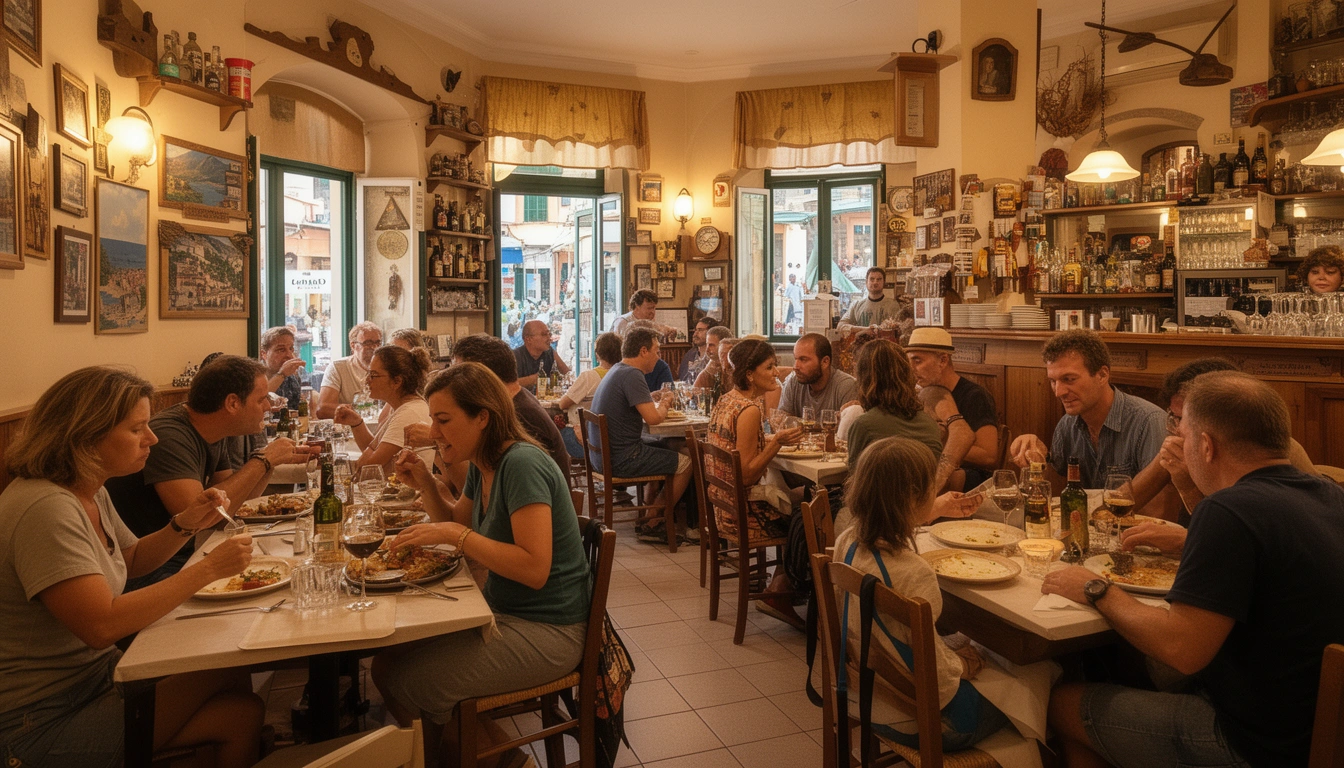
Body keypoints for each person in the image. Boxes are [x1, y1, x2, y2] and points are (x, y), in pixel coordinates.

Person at [1044, 372, 1344, 768]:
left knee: (1063, 704)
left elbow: (1181, 650)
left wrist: (1096, 588)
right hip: (1323, 727)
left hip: (1255, 744)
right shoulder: (1329, 493)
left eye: (1180, 433)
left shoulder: (1228, 511)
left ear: (1205, 445)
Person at [0, 366, 264, 768]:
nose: (152, 438)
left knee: (241, 715)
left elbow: (132, 560)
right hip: (38, 717)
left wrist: (184, 524)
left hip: (95, 681)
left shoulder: (88, 489)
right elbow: (100, 626)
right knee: (224, 661)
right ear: (85, 435)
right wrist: (208, 570)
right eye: (137, 428)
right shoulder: (45, 508)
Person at [371, 363, 590, 766]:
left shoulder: (521, 464)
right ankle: (494, 757)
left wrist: (457, 538)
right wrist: (425, 481)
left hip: (550, 630)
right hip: (505, 612)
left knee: (407, 681)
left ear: (483, 417)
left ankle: (495, 762)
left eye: (443, 420)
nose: (433, 431)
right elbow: (458, 522)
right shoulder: (483, 461)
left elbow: (534, 567)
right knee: (385, 664)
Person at [834, 436, 1018, 754]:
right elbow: (936, 673)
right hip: (930, 721)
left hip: (865, 698)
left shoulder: (848, 539)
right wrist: (960, 664)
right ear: (915, 497)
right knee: (1041, 677)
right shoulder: (913, 572)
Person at [105, 356, 316, 588]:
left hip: (186, 554)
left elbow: (232, 505)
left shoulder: (214, 430)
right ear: (233, 403)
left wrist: (269, 462)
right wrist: (263, 460)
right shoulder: (170, 435)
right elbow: (202, 518)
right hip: (150, 571)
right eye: (261, 399)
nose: (268, 406)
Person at [1129, 358, 1319, 522]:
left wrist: (1188, 489)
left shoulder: (1275, 453)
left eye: (1184, 418)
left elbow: (1238, 533)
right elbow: (1124, 502)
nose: (1177, 429)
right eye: (1173, 417)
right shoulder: (1180, 444)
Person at [705, 340, 805, 626]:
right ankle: (783, 593)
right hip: (746, 515)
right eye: (770, 366)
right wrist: (778, 443)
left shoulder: (727, 400)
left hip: (723, 508)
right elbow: (747, 475)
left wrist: (768, 440)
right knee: (809, 513)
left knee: (799, 500)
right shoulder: (749, 410)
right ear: (749, 374)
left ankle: (786, 586)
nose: (777, 372)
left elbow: (737, 448)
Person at [1010, 329, 1166, 490]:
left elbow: (1161, 507)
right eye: (1053, 381)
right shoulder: (1067, 425)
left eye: (1069, 379)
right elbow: (1057, 491)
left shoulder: (1149, 422)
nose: (1058, 392)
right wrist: (1040, 460)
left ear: (1102, 375)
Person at [589, 326, 693, 539]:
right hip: (622, 458)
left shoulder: (618, 370)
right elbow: (654, 419)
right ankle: (654, 518)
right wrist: (665, 401)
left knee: (673, 446)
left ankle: (648, 513)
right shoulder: (633, 375)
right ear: (643, 351)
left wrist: (652, 396)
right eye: (657, 351)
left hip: (602, 456)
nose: (659, 356)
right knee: (686, 462)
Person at [450, 334, 569, 472]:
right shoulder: (517, 400)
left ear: (483, 376)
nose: (456, 385)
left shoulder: (517, 415)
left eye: (461, 375)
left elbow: (488, 482)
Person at [906, 327, 1000, 491]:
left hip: (970, 480)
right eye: (909, 361)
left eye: (917, 361)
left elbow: (989, 456)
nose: (911, 368)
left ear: (943, 360)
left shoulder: (974, 396)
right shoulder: (917, 394)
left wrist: (939, 444)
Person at [845, 339, 946, 480]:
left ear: (864, 378)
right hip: (923, 500)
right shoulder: (930, 425)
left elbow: (854, 480)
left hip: (880, 501)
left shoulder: (864, 425)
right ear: (907, 374)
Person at [333, 345, 434, 474]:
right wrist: (356, 423)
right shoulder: (401, 406)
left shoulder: (409, 413)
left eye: (374, 375)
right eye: (368, 373)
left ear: (397, 381)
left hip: (407, 493)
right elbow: (374, 450)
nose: (367, 380)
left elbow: (369, 470)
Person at [556, 332, 621, 459]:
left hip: (588, 439)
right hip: (613, 440)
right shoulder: (623, 375)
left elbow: (562, 404)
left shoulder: (588, 377)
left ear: (597, 354)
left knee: (552, 436)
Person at [777, 333, 860, 419]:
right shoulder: (793, 381)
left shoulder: (846, 386)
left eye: (803, 360)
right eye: (796, 359)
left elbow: (848, 428)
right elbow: (781, 421)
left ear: (825, 362)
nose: (795, 367)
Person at [316, 321, 383, 419]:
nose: (374, 348)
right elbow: (323, 409)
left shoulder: (388, 368)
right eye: (368, 343)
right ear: (353, 345)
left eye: (378, 343)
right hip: (349, 430)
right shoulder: (338, 368)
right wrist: (362, 409)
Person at [514, 319, 570, 393]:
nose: (549, 338)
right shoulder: (515, 357)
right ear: (528, 339)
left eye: (549, 334)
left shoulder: (550, 352)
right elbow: (506, 385)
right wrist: (533, 379)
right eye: (544, 334)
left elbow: (568, 374)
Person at [838, 267, 901, 331]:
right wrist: (864, 329)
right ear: (866, 282)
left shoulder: (893, 305)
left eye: (879, 279)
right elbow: (840, 326)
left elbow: (898, 329)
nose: (875, 282)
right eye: (872, 279)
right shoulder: (856, 305)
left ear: (884, 282)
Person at [259, 325, 306, 410]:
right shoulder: (254, 376)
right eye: (281, 350)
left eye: (291, 349)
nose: (289, 355)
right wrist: (281, 374)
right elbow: (259, 400)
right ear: (264, 354)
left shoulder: (293, 377)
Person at [625, 319, 676, 392]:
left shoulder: (660, 366)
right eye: (656, 349)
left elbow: (670, 395)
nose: (658, 356)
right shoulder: (625, 371)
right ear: (644, 350)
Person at [609, 289, 674, 337]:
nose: (652, 311)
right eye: (649, 308)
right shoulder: (623, 322)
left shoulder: (651, 323)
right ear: (637, 306)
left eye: (654, 308)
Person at [693, 327, 736, 391]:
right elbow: (695, 393)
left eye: (711, 345)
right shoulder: (707, 372)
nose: (707, 349)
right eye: (707, 344)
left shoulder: (738, 368)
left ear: (724, 346)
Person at [678, 317, 718, 384]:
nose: (695, 334)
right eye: (695, 330)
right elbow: (683, 379)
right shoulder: (690, 354)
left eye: (700, 330)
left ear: (711, 332)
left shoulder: (716, 356)